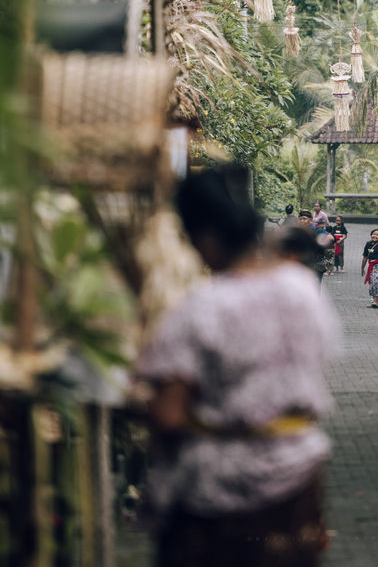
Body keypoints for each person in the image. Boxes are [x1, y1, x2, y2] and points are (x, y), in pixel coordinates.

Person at [137, 165, 337, 567]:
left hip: (217, 490)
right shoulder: (301, 291)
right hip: (297, 480)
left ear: (205, 238)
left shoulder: (201, 307)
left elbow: (169, 414)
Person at [299, 209, 334, 282]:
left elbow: (330, 238)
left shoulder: (315, 229)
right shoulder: (299, 230)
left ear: (310, 220)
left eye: (304, 219)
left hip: (316, 263)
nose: (302, 221)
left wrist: (318, 245)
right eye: (300, 219)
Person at [360, 228, 378, 308]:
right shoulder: (368, 244)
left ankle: (376, 302)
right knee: (371, 283)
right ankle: (374, 301)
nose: (375, 236)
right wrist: (362, 268)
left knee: (375, 280)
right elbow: (365, 257)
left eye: (377, 235)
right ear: (371, 235)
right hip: (371, 265)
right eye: (373, 234)